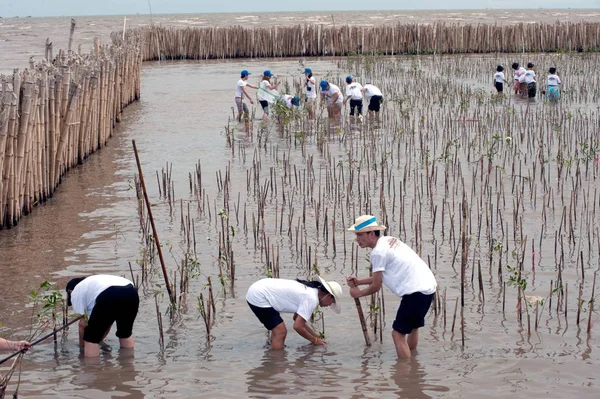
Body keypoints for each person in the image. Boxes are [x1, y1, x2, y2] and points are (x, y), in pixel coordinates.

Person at [345, 215, 437, 359]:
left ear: (371, 233)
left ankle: (406, 373)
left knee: (397, 334)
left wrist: (358, 294)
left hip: (415, 292)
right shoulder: (389, 240)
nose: (357, 239)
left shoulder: (378, 252)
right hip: (428, 287)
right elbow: (380, 278)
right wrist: (359, 282)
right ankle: (413, 366)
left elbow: (376, 286)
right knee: (413, 327)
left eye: (359, 234)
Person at [246, 276, 342, 350]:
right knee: (280, 331)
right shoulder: (312, 298)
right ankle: (276, 362)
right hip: (259, 296)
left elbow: (297, 319)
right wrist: (315, 341)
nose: (329, 305)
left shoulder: (310, 291)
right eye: (332, 302)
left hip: (258, 289)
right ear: (329, 296)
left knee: (277, 329)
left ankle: (273, 353)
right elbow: (297, 326)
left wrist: (315, 335)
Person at [66, 275, 139, 357]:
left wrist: (82, 347)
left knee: (91, 338)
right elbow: (107, 321)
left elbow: (82, 325)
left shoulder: (76, 291)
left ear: (70, 291)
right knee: (125, 333)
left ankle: (92, 368)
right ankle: (128, 366)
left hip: (109, 293)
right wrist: (100, 339)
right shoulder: (95, 284)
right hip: (131, 292)